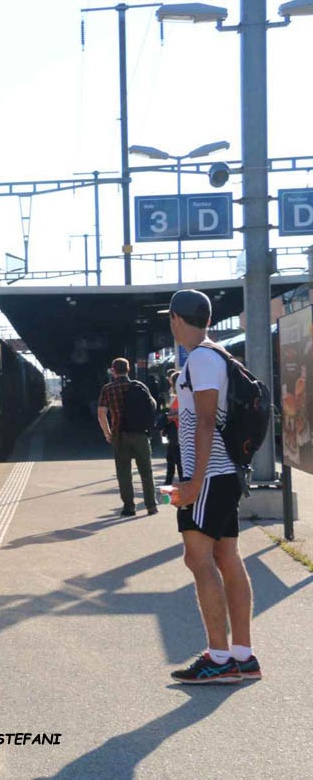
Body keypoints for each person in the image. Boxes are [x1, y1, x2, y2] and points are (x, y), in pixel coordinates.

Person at [166, 288, 260, 684]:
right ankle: (243, 655)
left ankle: (219, 659)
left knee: (197, 558)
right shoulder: (216, 355)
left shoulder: (201, 358)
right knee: (227, 557)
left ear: (176, 319)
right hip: (223, 474)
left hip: (211, 475)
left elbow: (206, 422)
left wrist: (193, 482)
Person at [97, 357, 158, 516]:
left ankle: (129, 507)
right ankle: (151, 506)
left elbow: (101, 414)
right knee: (146, 471)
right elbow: (153, 405)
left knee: (124, 473)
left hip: (120, 435)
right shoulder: (139, 386)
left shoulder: (108, 389)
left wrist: (107, 433)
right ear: (128, 369)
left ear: (113, 370)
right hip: (140, 435)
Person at [157, 378, 183, 485]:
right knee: (177, 461)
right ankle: (174, 483)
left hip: (177, 434)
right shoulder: (183, 398)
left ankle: (170, 483)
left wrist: (167, 416)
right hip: (180, 434)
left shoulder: (178, 399)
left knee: (174, 461)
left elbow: (173, 415)